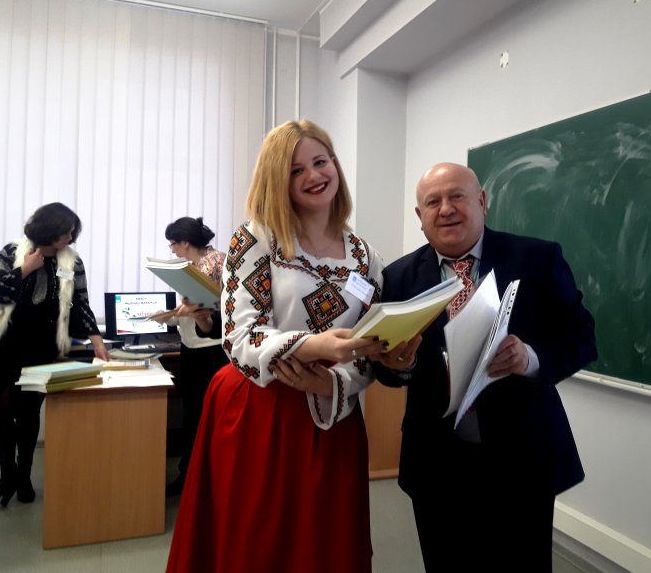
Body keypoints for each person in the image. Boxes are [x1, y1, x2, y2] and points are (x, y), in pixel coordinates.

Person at [166, 120, 387, 573]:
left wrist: (335, 383)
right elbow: (239, 336)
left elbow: (370, 345)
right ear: (276, 180)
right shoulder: (256, 240)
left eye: (320, 162)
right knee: (257, 545)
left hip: (333, 415)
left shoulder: (365, 255)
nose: (314, 176)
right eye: (295, 170)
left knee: (326, 544)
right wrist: (312, 346)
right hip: (260, 410)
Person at [373, 163, 597, 572]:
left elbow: (582, 336)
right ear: (420, 216)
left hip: (522, 458)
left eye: (457, 196)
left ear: (481, 201)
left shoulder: (536, 258)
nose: (446, 209)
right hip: (436, 462)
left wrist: (529, 358)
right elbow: (387, 370)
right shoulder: (398, 277)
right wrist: (399, 366)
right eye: (433, 202)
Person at [0, 202, 110, 507]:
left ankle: (24, 476)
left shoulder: (72, 261)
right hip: (4, 345)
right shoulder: (11, 252)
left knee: (28, 414)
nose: (71, 239)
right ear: (49, 231)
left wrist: (96, 340)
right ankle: (7, 474)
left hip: (41, 347)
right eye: (66, 233)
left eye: (72, 233)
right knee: (0, 411)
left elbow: (80, 303)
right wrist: (25, 269)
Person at [159, 217, 228, 496]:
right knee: (194, 414)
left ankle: (191, 478)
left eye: (173, 244)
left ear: (185, 243)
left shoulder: (211, 264)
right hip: (194, 345)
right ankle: (192, 476)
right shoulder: (198, 265)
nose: (172, 250)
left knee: (198, 416)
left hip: (210, 349)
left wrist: (182, 313)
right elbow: (192, 308)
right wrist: (171, 316)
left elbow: (211, 310)